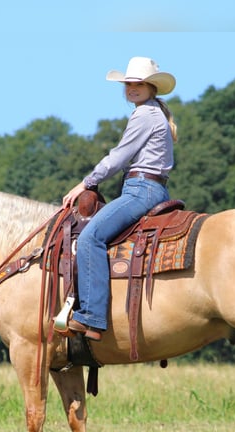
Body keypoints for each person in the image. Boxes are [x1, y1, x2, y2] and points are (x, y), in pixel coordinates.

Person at [59, 56, 178, 342]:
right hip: (149, 188)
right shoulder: (153, 113)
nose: (131, 88)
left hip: (141, 190)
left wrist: (86, 183)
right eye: (128, 84)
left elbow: (119, 156)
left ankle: (91, 317)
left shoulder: (145, 115)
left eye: (138, 83)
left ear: (151, 87)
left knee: (90, 238)